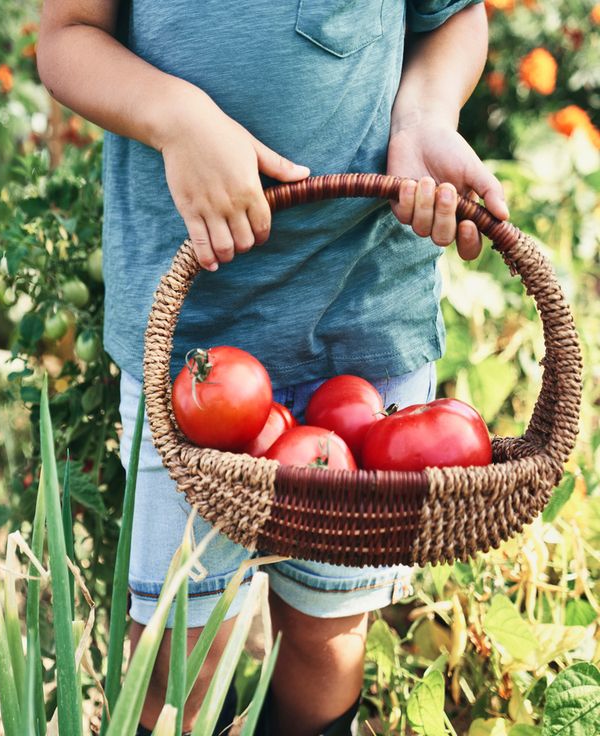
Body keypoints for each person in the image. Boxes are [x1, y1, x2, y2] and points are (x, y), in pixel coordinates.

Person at [37, 2, 506, 734]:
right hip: (195, 342)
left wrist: (424, 116)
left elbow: (453, 17)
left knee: (328, 632)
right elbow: (67, 38)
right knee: (178, 655)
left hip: (363, 317)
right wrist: (175, 115)